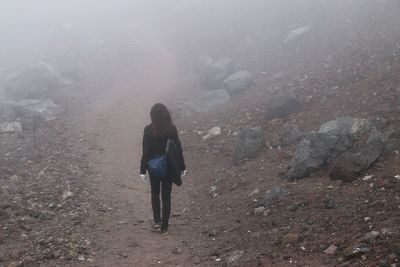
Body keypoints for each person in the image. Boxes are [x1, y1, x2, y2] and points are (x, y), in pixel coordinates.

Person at [140, 103, 186, 234]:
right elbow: (178, 149)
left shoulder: (148, 130)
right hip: (169, 167)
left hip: (153, 167)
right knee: (166, 196)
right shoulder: (171, 129)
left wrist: (142, 170)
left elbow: (146, 152)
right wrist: (182, 167)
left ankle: (157, 221)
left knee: (155, 193)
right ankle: (164, 227)